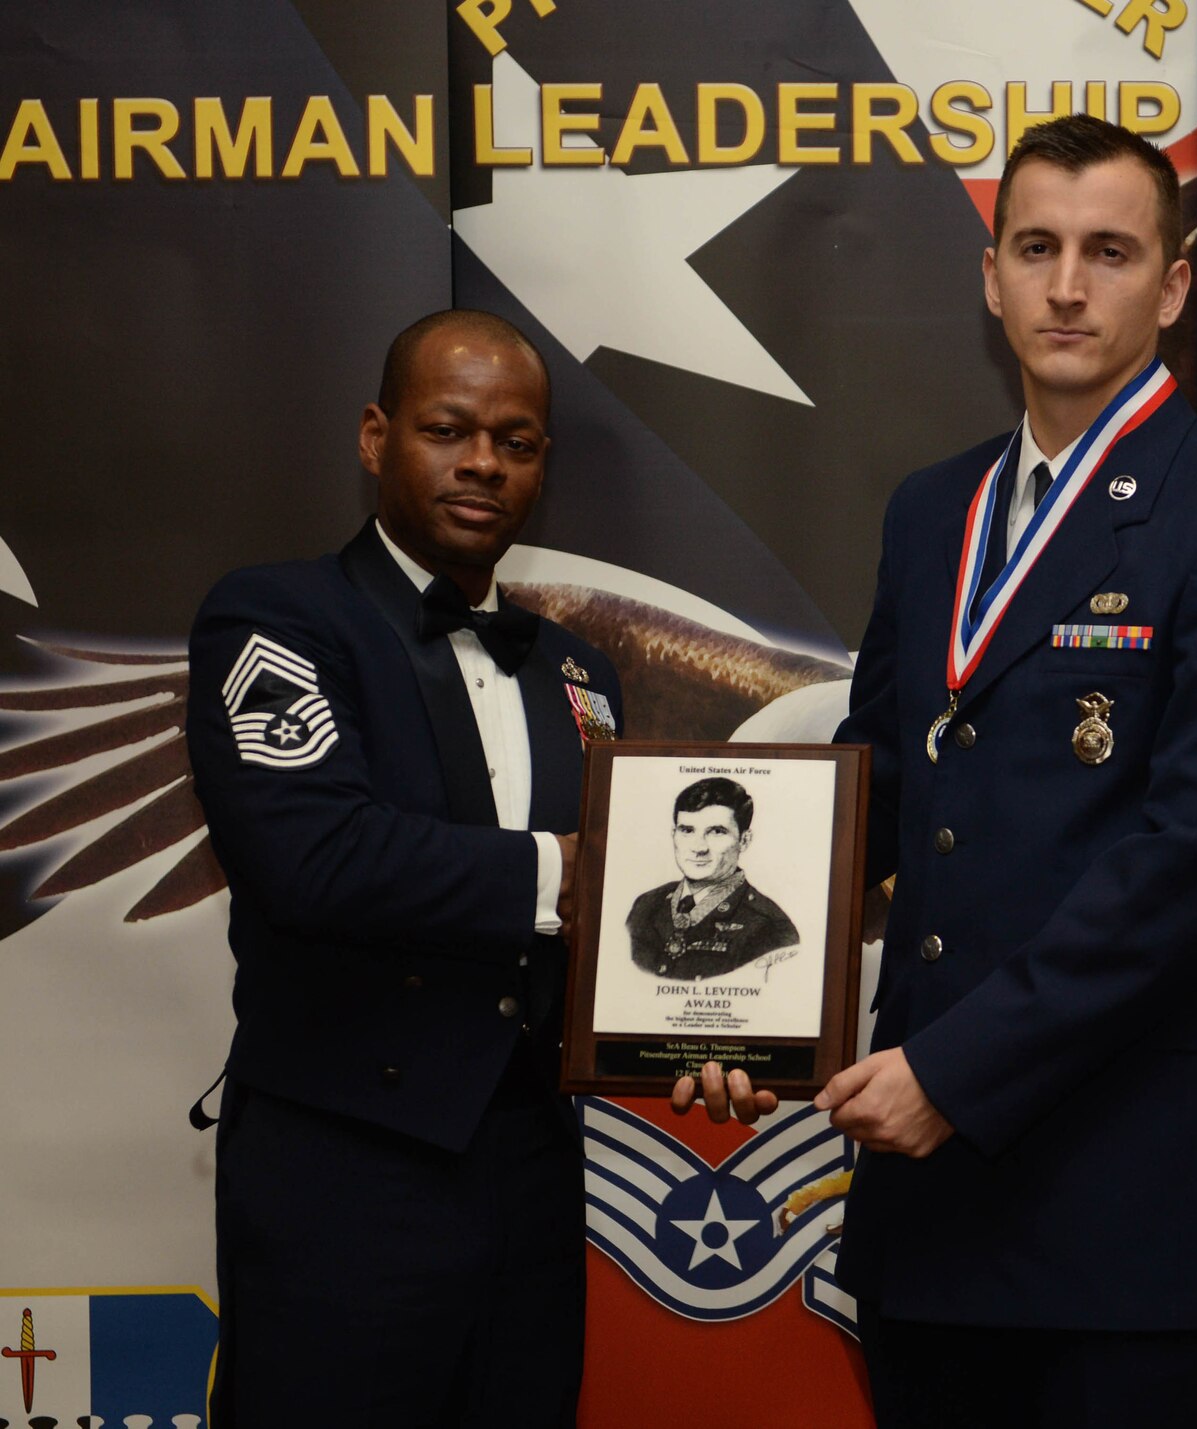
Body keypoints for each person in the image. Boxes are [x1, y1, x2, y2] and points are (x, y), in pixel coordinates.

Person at [813, 113, 1197, 1427]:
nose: (1065, 286)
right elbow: (868, 793)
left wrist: (954, 1072)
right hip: (932, 1218)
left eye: (1108, 252)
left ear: (1171, 287)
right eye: (1034, 248)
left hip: (1133, 1216)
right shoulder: (931, 511)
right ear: (989, 278)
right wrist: (731, 1000)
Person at [186, 309, 770, 1428]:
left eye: (515, 441)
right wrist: (563, 872)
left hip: (534, 1171)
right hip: (343, 1168)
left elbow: (631, 915)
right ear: (377, 436)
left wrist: (712, 1028)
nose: (483, 463)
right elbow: (314, 857)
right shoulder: (279, 617)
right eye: (448, 430)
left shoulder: (580, 673)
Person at [626, 775, 801, 979]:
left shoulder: (770, 927)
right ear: (673, 834)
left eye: (717, 832)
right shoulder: (646, 906)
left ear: (744, 841)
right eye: (687, 830)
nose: (699, 848)